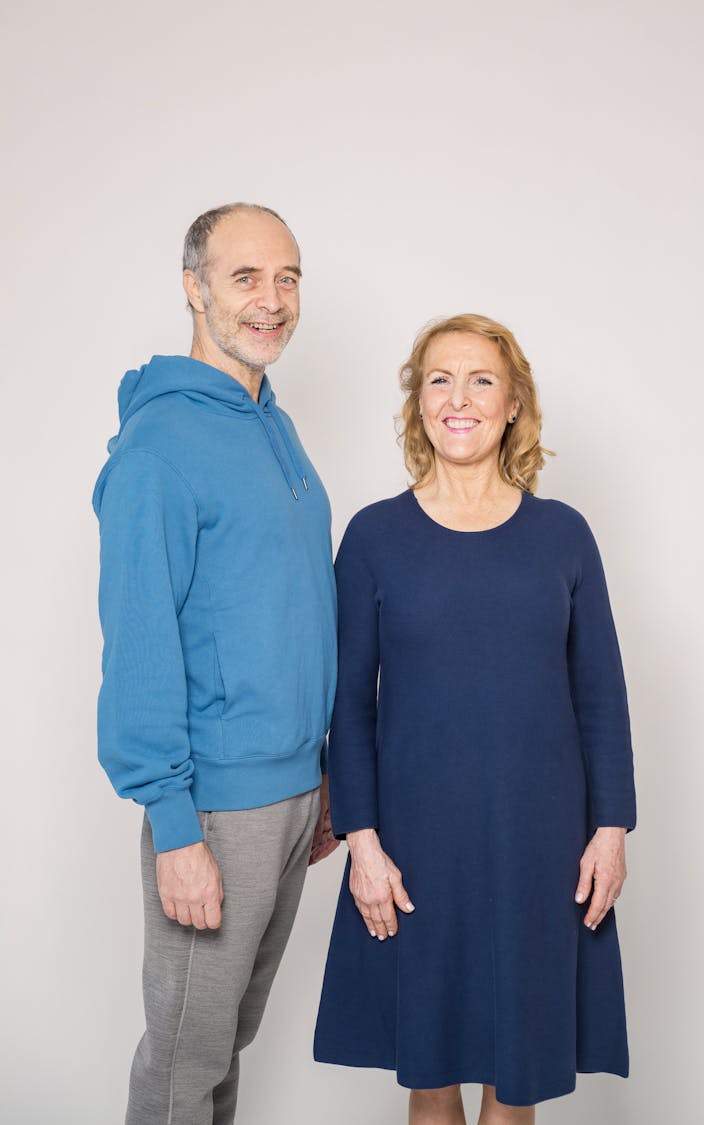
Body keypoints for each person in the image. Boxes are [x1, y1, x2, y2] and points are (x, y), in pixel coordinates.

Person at [314, 314, 636, 1125]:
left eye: (481, 379)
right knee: (431, 1071)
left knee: (516, 1075)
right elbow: (347, 704)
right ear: (418, 402)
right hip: (417, 846)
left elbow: (601, 692)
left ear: (514, 402)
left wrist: (610, 829)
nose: (460, 398)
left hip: (540, 842)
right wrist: (361, 840)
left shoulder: (563, 535)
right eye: (440, 379)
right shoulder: (373, 536)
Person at [93, 202, 339, 1125]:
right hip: (213, 807)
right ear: (194, 288)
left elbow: (285, 611)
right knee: (183, 1062)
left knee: (222, 1041)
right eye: (245, 277)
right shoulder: (159, 450)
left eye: (287, 277)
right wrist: (175, 825)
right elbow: (142, 644)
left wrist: (320, 779)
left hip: (290, 794)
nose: (271, 301)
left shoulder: (268, 421)